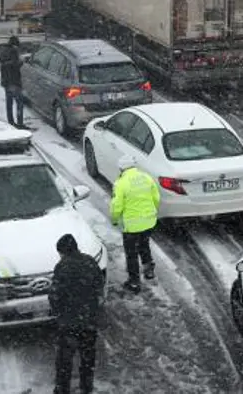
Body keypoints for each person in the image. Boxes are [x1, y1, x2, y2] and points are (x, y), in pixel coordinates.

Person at [50, 234, 106, 394]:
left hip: (69, 322)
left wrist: (58, 314)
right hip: (89, 320)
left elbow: (55, 295)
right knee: (88, 358)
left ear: (62, 251)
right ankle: (86, 387)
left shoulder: (62, 266)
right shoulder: (90, 261)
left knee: (64, 360)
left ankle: (62, 389)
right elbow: (99, 285)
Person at [109, 155, 160, 292]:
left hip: (132, 226)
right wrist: (152, 212)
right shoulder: (146, 177)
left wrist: (114, 220)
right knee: (144, 245)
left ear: (121, 168)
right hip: (149, 221)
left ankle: (134, 282)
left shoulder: (120, 183)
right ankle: (149, 270)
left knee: (131, 254)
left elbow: (116, 206)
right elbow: (156, 197)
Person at [0, 35, 26, 128]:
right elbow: (15, 65)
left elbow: (3, 64)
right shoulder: (14, 51)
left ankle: (10, 122)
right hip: (14, 81)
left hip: (6, 81)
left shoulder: (3, 51)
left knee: (9, 102)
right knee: (19, 102)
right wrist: (21, 61)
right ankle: (20, 123)